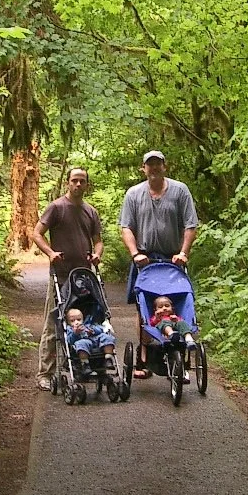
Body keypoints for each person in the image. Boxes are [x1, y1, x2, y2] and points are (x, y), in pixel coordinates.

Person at [119, 149, 199, 378]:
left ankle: (180, 357)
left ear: (165, 166)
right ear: (143, 168)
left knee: (177, 304)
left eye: (158, 164)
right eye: (149, 164)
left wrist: (183, 253)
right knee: (144, 307)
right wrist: (135, 253)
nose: (154, 168)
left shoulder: (180, 190)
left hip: (173, 259)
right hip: (144, 260)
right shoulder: (134, 194)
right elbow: (126, 227)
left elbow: (190, 225)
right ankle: (143, 358)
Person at [32, 167, 104, 391]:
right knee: (53, 324)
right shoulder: (56, 207)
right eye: (74, 180)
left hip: (83, 278)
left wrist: (97, 254)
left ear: (87, 185)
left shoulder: (91, 211)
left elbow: (97, 240)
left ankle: (80, 364)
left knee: (84, 322)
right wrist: (50, 253)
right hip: (61, 276)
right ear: (67, 183)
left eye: (82, 181)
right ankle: (45, 373)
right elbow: (36, 233)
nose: (78, 184)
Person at [64, 308, 116, 378]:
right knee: (81, 343)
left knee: (107, 337)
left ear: (83, 319)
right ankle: (85, 363)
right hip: (82, 342)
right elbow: (69, 340)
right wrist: (75, 333)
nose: (76, 322)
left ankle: (108, 358)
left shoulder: (88, 324)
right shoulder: (70, 329)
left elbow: (101, 328)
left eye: (79, 319)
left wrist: (93, 330)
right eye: (72, 321)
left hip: (96, 340)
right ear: (68, 322)